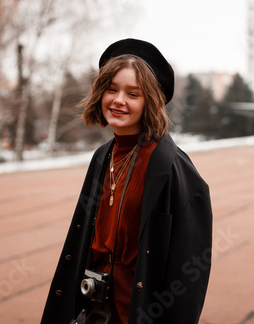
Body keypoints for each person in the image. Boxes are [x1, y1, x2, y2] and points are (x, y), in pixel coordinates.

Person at [41, 38, 212, 324]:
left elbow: (188, 277)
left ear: (150, 102)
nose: (119, 100)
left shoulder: (173, 168)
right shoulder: (101, 157)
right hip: (93, 309)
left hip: (139, 311)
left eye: (133, 94)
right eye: (112, 89)